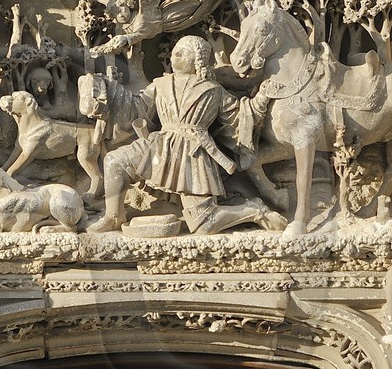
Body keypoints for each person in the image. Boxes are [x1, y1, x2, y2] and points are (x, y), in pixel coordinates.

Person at [87, 34, 283, 235]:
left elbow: (239, 116)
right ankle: (113, 216)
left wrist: (261, 98)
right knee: (114, 161)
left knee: (203, 225)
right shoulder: (160, 85)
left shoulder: (213, 90)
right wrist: (112, 90)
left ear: (198, 59)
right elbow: (137, 108)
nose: (175, 55)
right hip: (159, 146)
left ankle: (253, 211)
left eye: (183, 52)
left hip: (193, 153)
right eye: (175, 51)